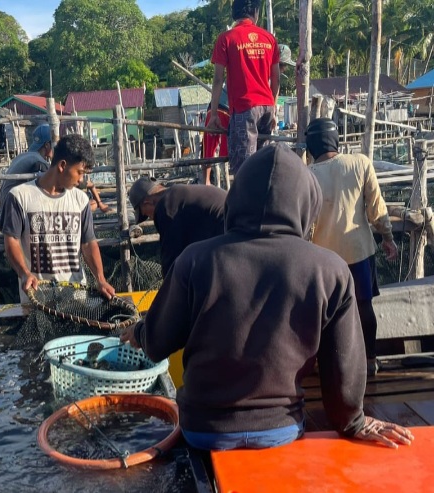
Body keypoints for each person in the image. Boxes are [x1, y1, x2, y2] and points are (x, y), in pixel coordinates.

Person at [120, 143, 414, 451]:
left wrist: (140, 331)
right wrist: (354, 421)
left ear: (236, 197)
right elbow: (343, 365)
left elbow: (157, 343)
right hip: (280, 428)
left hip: (203, 429)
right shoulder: (331, 270)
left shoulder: (194, 260)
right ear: (307, 203)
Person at [306, 118, 398, 377]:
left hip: (322, 257)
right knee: (363, 306)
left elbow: (303, 222)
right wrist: (388, 238)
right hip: (358, 251)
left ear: (312, 146)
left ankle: (328, 367)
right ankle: (370, 360)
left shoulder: (307, 176)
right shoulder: (360, 163)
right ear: (336, 140)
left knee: (324, 315)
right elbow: (377, 210)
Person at [0, 134, 116, 303]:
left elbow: (89, 243)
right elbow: (11, 242)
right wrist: (24, 273)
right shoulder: (19, 197)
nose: (81, 180)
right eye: (80, 172)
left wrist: (101, 279)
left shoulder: (80, 200)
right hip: (37, 297)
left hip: (75, 297)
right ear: (62, 166)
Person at [206, 0, 280, 175]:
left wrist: (214, 114)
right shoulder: (269, 39)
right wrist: (274, 109)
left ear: (234, 13)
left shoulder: (226, 38)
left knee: (244, 170)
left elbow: (218, 80)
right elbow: (276, 79)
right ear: (255, 12)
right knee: (263, 165)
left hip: (245, 109)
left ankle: (245, 202)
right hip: (267, 108)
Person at [128, 177, 226, 276]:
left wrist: (168, 286)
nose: (151, 218)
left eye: (146, 215)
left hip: (228, 234)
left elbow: (171, 257)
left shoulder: (166, 205)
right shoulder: (177, 196)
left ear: (147, 202)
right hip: (232, 227)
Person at [0, 124, 54, 206]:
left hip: (5, 200)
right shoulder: (39, 162)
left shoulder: (24, 156)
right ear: (47, 145)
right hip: (11, 205)